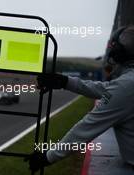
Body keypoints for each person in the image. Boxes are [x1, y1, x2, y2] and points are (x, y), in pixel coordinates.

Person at [26, 26, 134, 172]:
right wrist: (64, 81)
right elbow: (107, 89)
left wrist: (48, 157)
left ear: (118, 53)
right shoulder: (127, 83)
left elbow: (87, 127)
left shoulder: (127, 85)